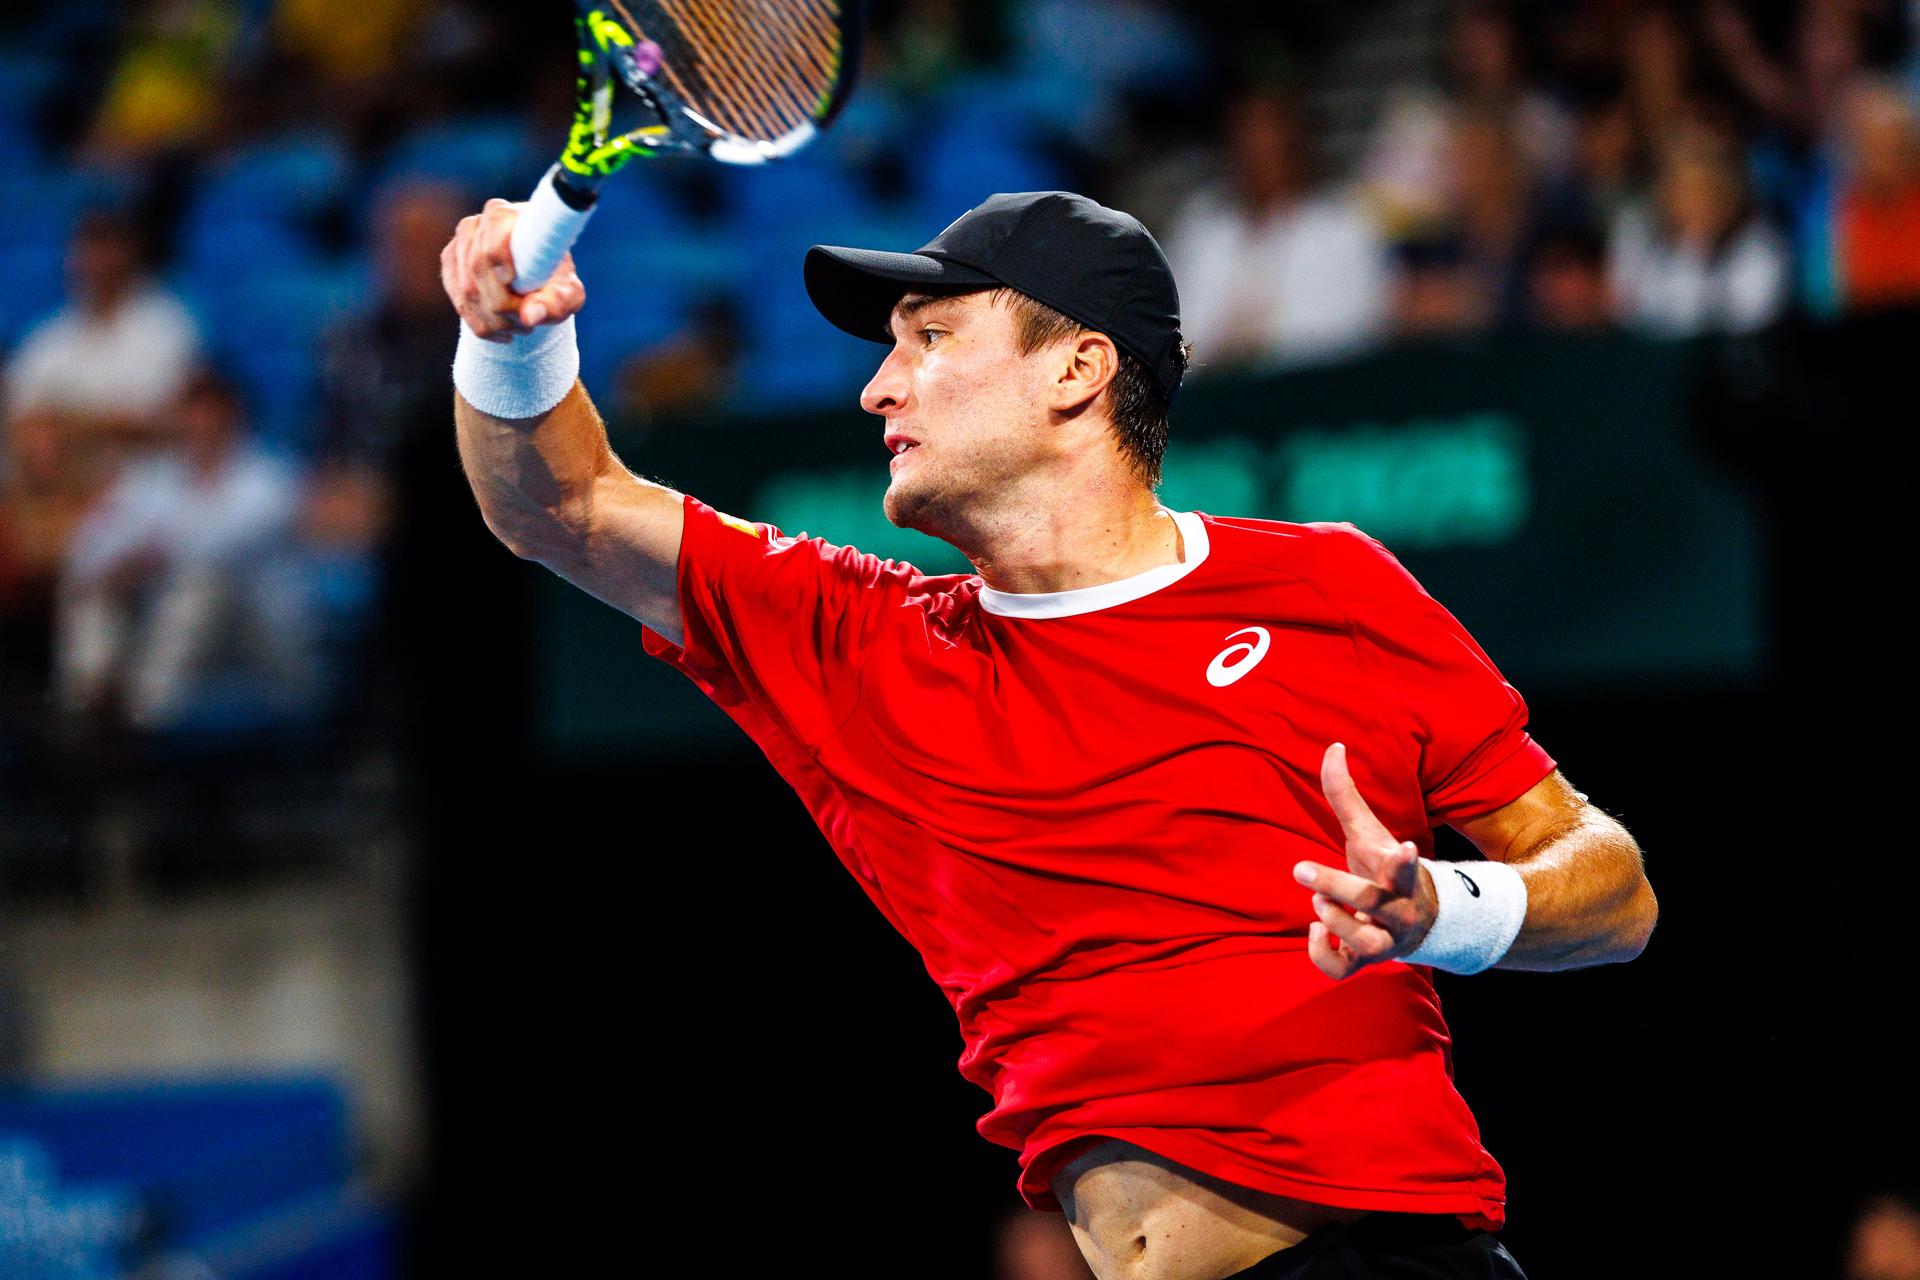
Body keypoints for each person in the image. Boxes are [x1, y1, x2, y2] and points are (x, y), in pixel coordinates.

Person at [441, 188, 1658, 1280]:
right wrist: (510, 339)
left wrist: (1444, 907)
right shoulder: (856, 644)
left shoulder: (1331, 588)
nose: (878, 387)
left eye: (929, 339)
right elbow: (564, 506)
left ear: (1077, 368)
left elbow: (1615, 888)